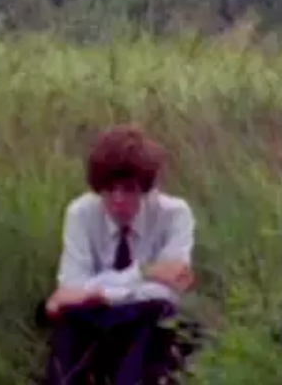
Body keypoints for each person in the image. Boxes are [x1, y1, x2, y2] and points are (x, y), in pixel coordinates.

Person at [41, 124, 199, 385]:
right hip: (94, 315)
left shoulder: (174, 214)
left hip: (144, 316)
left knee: (158, 318)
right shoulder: (80, 214)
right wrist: (145, 273)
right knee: (68, 326)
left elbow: (170, 289)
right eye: (108, 189)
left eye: (128, 189)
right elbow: (70, 287)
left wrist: (103, 290)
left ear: (145, 188)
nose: (118, 200)